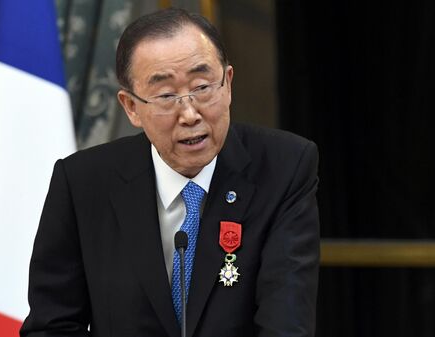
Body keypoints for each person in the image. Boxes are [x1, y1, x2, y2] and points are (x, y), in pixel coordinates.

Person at [20, 7, 319, 337]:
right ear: (131, 107)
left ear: (228, 84)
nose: (190, 114)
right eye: (166, 96)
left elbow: (286, 324)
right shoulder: (83, 183)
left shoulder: (284, 168)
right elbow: (52, 326)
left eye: (203, 87)